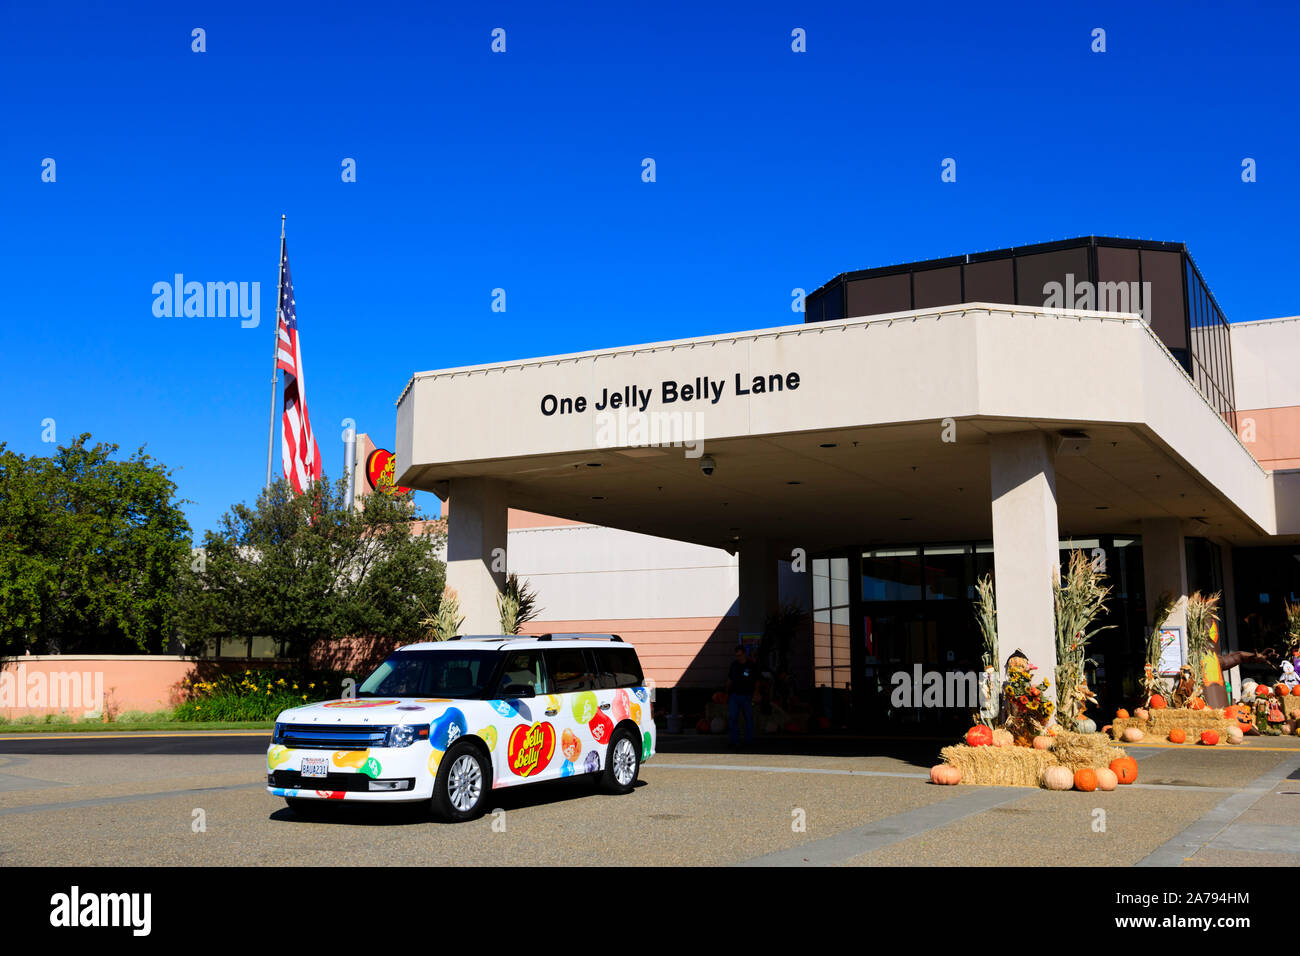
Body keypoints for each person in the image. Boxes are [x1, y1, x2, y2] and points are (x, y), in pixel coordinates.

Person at [727, 645, 757, 746]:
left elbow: (756, 681)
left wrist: (756, 693)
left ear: (744, 654)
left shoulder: (751, 665)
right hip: (734, 695)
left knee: (748, 718)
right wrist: (727, 692)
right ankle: (734, 740)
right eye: (737, 656)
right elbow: (730, 679)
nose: (738, 658)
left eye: (740, 655)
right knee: (732, 717)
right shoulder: (734, 665)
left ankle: (750, 740)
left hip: (747, 695)